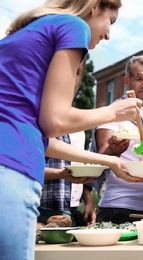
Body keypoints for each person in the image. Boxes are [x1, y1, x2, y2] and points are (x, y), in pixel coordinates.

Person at [0, 1, 143, 259]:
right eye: (110, 21)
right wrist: (114, 112)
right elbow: (54, 120)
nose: (108, 34)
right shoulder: (74, 25)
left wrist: (108, 160)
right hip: (12, 168)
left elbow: (43, 138)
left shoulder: (27, 33)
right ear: (94, 7)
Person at [94, 55, 143, 224]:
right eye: (138, 79)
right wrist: (112, 150)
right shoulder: (113, 112)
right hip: (118, 206)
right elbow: (101, 155)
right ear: (127, 81)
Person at [39, 60, 96, 226]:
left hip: (69, 212)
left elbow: (76, 172)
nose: (71, 77)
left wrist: (89, 200)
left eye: (77, 72)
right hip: (37, 209)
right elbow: (25, 167)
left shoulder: (77, 126)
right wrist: (60, 174)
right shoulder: (36, 115)